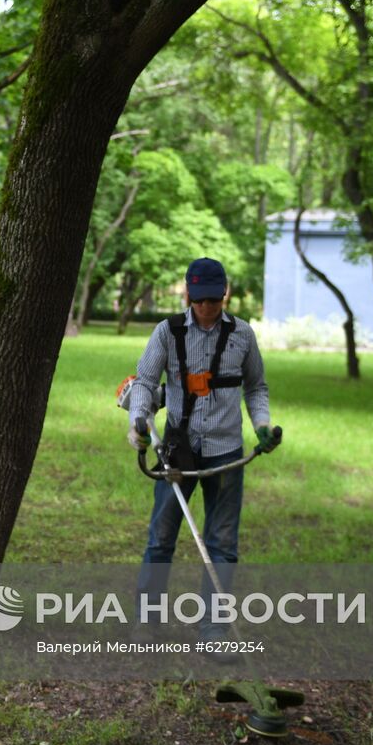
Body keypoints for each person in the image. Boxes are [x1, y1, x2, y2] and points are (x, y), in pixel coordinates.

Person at [125, 257, 275, 639]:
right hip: (178, 450)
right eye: (200, 300)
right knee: (161, 537)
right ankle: (148, 619)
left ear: (225, 294)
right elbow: (144, 381)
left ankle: (214, 626)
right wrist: (139, 421)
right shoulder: (167, 332)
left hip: (226, 453)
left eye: (214, 300)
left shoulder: (243, 335)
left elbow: (256, 387)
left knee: (222, 544)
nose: (207, 308)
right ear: (188, 294)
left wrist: (261, 426)